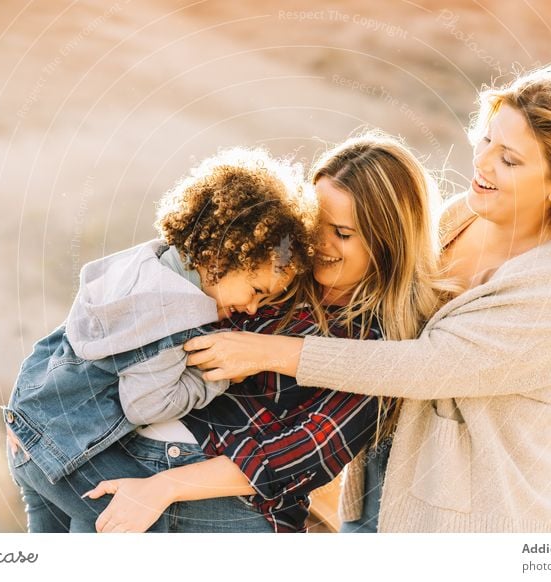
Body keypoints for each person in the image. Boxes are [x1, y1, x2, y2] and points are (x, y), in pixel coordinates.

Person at [180, 58, 551, 532]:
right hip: (387, 488)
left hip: (475, 520)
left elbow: (423, 365)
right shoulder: (464, 214)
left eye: (508, 159)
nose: (482, 163)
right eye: (486, 140)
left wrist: (269, 352)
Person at [45, 131, 450, 532]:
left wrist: (163, 487)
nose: (320, 244)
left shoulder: (380, 342)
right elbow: (129, 308)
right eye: (316, 224)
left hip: (229, 505)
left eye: (342, 234)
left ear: (389, 241)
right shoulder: (273, 264)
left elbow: (302, 454)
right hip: (131, 457)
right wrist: (43, 398)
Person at [3, 148, 315, 532]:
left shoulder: (148, 262)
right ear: (224, 256)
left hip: (31, 427)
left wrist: (25, 398)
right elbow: (147, 405)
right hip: (64, 451)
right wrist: (216, 378)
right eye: (255, 289)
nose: (252, 308)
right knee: (140, 520)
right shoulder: (175, 315)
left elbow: (74, 333)